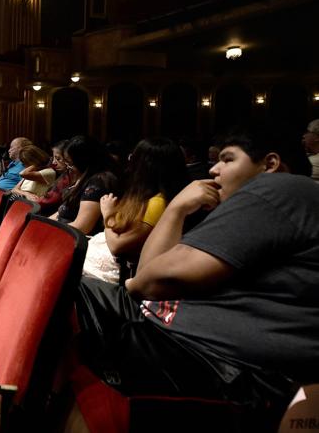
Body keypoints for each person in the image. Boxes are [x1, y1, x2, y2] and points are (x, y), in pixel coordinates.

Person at [73, 125, 317, 427]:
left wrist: (141, 281)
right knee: (63, 284)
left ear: (270, 164)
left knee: (63, 290)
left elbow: (151, 282)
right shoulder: (259, 206)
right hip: (177, 337)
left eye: (227, 160)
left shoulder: (281, 189)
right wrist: (177, 209)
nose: (213, 169)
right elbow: (150, 278)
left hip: (217, 362)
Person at [82, 137, 190, 283]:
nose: (129, 161)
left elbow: (117, 246)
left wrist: (108, 213)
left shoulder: (158, 202)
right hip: (101, 255)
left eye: (133, 157)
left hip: (115, 270)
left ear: (144, 165)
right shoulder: (143, 194)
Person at [50, 135, 118, 235]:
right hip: (63, 231)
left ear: (83, 161)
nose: (69, 168)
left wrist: (48, 230)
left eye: (71, 164)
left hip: (73, 239)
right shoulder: (84, 176)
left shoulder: (98, 181)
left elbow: (82, 227)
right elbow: (62, 211)